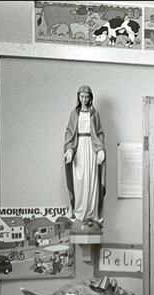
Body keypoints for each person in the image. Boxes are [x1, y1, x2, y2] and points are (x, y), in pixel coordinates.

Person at [64, 84, 106, 230]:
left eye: (87, 97)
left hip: (92, 147)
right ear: (78, 97)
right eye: (82, 96)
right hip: (79, 148)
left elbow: (99, 133)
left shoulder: (94, 114)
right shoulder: (74, 114)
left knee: (92, 180)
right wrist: (69, 150)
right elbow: (69, 132)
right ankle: (80, 214)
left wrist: (100, 150)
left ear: (90, 98)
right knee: (79, 181)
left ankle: (92, 215)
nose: (84, 99)